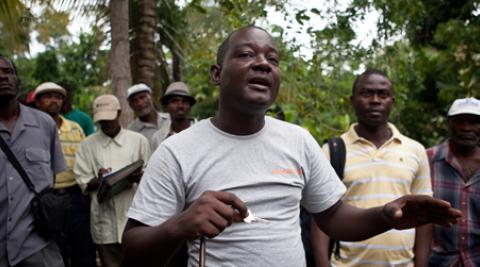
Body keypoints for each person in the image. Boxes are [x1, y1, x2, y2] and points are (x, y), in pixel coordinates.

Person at [121, 26, 461, 267]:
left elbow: (333, 217)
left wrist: (387, 215)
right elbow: (132, 250)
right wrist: (179, 226)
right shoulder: (177, 150)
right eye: (245, 54)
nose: (263, 63)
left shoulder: (297, 140)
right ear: (216, 73)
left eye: (273, 58)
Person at [311, 69, 433, 267]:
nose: (375, 100)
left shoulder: (415, 151)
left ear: (392, 101)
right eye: (366, 94)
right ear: (352, 100)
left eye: (382, 94)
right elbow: (321, 216)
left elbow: (425, 218)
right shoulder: (332, 151)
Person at [0, 55, 66, 267]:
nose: (3, 77)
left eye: (8, 72)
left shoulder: (45, 124)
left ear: (17, 80)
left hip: (39, 247)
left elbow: (52, 179)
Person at [73, 94, 151, 267]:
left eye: (110, 118)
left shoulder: (138, 141)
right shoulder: (88, 145)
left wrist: (140, 176)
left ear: (119, 113)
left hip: (134, 217)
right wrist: (99, 179)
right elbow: (83, 180)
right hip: (104, 219)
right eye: (102, 120)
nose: (106, 123)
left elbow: (151, 176)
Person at [34, 82, 97, 267]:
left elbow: (86, 158)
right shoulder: (31, 129)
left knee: (83, 249)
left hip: (76, 195)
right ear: (37, 102)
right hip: (46, 199)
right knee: (54, 251)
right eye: (48, 96)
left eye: (58, 97)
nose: (54, 101)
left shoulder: (75, 128)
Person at [427, 97, 480, 267]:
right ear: (449, 123)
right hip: (437, 262)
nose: (466, 128)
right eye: (460, 121)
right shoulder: (427, 160)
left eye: (474, 122)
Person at [151, 81, 197, 150]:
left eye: (184, 101)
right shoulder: (158, 138)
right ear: (166, 106)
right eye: (174, 101)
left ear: (190, 107)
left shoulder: (202, 133)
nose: (180, 106)